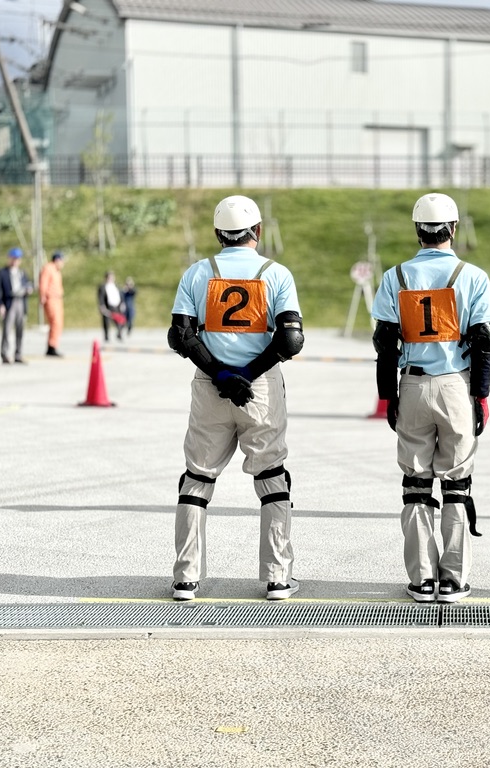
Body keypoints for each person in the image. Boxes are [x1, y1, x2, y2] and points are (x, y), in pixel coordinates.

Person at [167, 194, 305, 602]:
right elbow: (290, 339)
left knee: (197, 478)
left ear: (217, 233)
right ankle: (278, 576)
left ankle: (186, 578)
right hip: (259, 387)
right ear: (257, 232)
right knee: (271, 476)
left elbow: (181, 335)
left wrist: (222, 373)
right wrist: (246, 373)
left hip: (210, 385)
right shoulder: (275, 273)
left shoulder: (198, 272)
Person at [371, 192, 490, 604]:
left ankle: (423, 579)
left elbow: (385, 343)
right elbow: (484, 341)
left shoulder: (396, 277)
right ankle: (454, 580)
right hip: (456, 384)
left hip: (412, 382)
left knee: (415, 484)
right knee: (457, 484)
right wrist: (481, 395)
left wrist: (388, 395)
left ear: (417, 230)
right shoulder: (472, 276)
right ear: (454, 228)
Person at [0, 247, 34, 364]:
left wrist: (28, 290)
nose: (15, 261)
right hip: (9, 302)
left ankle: (18, 353)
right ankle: (4, 353)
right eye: (13, 259)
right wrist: (0, 304)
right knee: (7, 329)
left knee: (20, 329)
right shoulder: (2, 273)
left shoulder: (22, 273)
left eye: (17, 259)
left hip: (20, 301)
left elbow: (27, 285)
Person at [40, 251, 65, 357]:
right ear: (57, 260)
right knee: (55, 322)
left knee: (58, 323)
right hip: (51, 299)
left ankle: (52, 344)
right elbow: (43, 283)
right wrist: (42, 296)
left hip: (58, 299)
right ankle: (52, 346)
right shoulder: (48, 268)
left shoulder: (57, 271)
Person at [97, 271, 126, 342]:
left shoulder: (117, 286)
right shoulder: (103, 287)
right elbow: (101, 297)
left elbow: (121, 296)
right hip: (108, 306)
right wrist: (102, 306)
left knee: (120, 320)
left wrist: (122, 303)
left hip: (116, 306)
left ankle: (119, 334)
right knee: (106, 322)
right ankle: (106, 336)